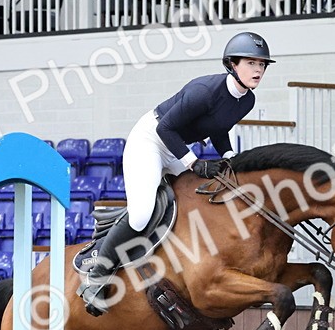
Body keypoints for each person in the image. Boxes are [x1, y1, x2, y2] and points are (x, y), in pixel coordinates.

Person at [77, 30, 276, 315]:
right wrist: (194, 163)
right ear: (232, 64)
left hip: (175, 147)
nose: (258, 70)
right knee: (141, 215)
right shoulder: (204, 91)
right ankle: (97, 275)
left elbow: (219, 128)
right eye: (251, 63)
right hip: (150, 141)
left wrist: (230, 157)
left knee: (198, 198)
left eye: (262, 64)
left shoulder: (247, 100)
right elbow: (165, 128)